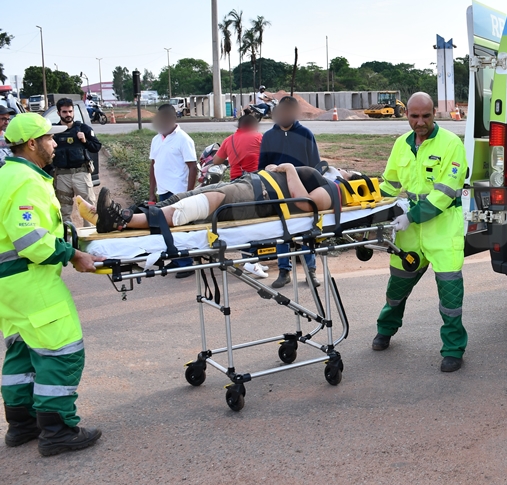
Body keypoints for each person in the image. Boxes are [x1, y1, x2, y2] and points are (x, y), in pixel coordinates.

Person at [0, 113, 104, 456]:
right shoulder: (26, 182)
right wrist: (73, 254)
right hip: (30, 280)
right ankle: (57, 431)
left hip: (10, 288)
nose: (55, 143)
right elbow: (31, 241)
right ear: (31, 144)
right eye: (49, 138)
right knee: (62, 350)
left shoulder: (7, 175)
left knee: (22, 352)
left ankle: (22, 425)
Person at [371, 92, 469, 373]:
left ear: (434, 113)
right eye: (414, 116)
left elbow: (445, 192)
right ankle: (385, 329)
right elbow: (389, 186)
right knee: (397, 288)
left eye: (426, 116)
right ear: (407, 115)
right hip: (409, 231)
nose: (420, 122)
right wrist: (364, 198)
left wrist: (411, 216)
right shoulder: (401, 144)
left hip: (442, 227)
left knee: (450, 295)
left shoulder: (451, 144)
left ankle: (453, 348)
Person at [78, 165, 336, 234]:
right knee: (182, 198)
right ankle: (111, 215)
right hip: (253, 184)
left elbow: (306, 205)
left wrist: (289, 169)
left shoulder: (334, 188)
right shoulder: (325, 172)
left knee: (202, 203)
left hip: (259, 198)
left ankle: (122, 220)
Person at [258, 96, 321, 288]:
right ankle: (284, 271)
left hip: (301, 190)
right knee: (281, 232)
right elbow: (261, 167)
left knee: (305, 230)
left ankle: (310, 271)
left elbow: (315, 166)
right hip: (277, 191)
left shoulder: (306, 134)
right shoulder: (269, 136)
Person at [213, 113, 267, 277]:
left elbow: (216, 160)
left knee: (244, 222)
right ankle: (251, 262)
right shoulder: (259, 138)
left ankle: (252, 260)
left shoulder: (229, 140)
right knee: (257, 222)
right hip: (256, 184)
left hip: (236, 183)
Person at [149, 103, 197, 278]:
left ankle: (186, 263)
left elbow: (193, 167)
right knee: (166, 227)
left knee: (181, 228)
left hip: (179, 191)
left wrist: (188, 193)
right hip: (163, 190)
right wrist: (152, 192)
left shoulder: (183, 139)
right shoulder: (156, 139)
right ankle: (176, 259)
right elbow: (153, 165)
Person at [50, 98, 101, 224]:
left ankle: (90, 239)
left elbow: (96, 147)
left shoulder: (84, 128)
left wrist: (85, 141)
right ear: (58, 113)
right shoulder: (54, 132)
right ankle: (68, 240)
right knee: (63, 210)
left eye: (70, 111)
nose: (68, 114)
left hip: (81, 173)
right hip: (62, 176)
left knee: (89, 209)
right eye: (64, 112)